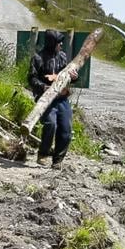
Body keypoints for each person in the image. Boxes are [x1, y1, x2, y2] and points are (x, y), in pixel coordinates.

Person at [28, 29, 78, 167]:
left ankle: (57, 160)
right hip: (45, 99)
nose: (61, 44)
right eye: (58, 42)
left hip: (61, 98)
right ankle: (43, 154)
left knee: (66, 129)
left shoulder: (62, 56)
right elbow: (31, 79)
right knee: (51, 124)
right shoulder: (38, 58)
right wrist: (44, 87)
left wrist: (74, 77)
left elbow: (68, 76)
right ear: (52, 43)